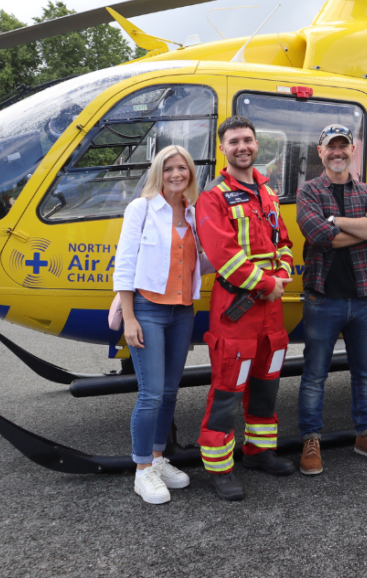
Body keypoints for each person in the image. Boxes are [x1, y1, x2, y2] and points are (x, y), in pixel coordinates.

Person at [196, 116, 295, 501]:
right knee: (226, 391)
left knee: (267, 385)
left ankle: (259, 452)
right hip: (237, 310)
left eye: (248, 140)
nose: (243, 146)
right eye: (234, 141)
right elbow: (224, 255)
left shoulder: (267, 192)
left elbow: (283, 241)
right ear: (223, 148)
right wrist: (269, 284)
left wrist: (283, 271)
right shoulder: (213, 197)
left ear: (257, 145)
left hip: (271, 314)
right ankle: (220, 469)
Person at [296, 124, 367, 475]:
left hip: (363, 298)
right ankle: (311, 440)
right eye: (330, 147)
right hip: (323, 298)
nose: (337, 152)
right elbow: (317, 234)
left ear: (353, 150)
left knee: (365, 374)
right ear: (320, 152)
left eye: (344, 146)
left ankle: (365, 435)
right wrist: (360, 227)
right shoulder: (308, 191)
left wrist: (336, 220)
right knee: (314, 375)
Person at [114, 144, 204, 504]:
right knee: (150, 394)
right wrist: (129, 317)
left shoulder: (194, 213)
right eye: (168, 169)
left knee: (169, 392)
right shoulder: (141, 208)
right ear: (158, 173)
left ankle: (157, 458)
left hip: (182, 311)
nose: (176, 174)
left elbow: (201, 261)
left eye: (182, 168)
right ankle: (141, 471)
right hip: (148, 309)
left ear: (190, 174)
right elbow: (124, 263)